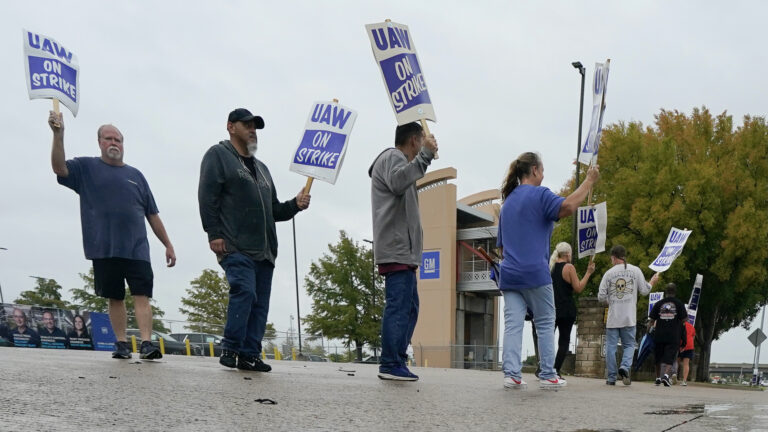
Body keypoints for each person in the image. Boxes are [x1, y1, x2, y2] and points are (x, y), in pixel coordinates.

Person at [49, 111, 176, 360]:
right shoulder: (85, 168)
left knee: (142, 294)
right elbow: (59, 167)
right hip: (104, 247)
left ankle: (147, 343)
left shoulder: (137, 176)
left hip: (137, 249)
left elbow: (153, 214)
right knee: (114, 296)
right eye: (108, 138)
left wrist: (168, 244)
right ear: (99, 142)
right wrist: (58, 135)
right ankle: (121, 343)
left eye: (118, 139)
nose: (114, 143)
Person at [198, 108, 310, 372]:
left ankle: (249, 354)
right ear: (230, 126)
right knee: (244, 291)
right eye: (246, 125)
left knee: (260, 304)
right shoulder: (219, 156)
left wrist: (295, 204)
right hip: (235, 245)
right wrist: (213, 233)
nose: (252, 130)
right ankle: (231, 347)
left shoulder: (263, 170)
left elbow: (274, 211)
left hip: (265, 250)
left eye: (255, 127)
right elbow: (207, 195)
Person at [497, 152, 598, 390]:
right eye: (542, 170)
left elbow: (501, 247)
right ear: (534, 170)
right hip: (534, 272)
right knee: (544, 322)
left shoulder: (507, 203)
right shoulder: (540, 194)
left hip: (509, 273)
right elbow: (568, 207)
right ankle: (548, 374)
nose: (543, 175)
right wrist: (589, 181)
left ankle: (511, 374)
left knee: (513, 324)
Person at [369, 122, 438, 381]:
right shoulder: (392, 158)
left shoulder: (397, 162)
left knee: (409, 306)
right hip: (397, 248)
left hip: (402, 250)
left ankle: (396, 358)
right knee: (399, 306)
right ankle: (390, 362)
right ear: (414, 140)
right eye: (422, 140)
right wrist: (426, 156)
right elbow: (398, 182)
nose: (425, 143)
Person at [598, 245, 659, 386]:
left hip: (613, 317)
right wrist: (652, 282)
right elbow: (644, 291)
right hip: (629, 317)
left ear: (613, 257)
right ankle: (625, 367)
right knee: (629, 345)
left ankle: (611, 377)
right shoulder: (635, 270)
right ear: (624, 256)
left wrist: (611, 300)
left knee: (611, 348)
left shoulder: (608, 273)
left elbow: (601, 296)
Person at [549, 242, 595, 378]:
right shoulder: (569, 267)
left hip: (551, 308)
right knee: (563, 341)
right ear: (568, 254)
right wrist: (588, 273)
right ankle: (556, 370)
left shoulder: (550, 266)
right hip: (566, 309)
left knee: (547, 338)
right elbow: (578, 288)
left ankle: (543, 366)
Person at [650, 283, 688, 387]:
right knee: (670, 357)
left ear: (666, 292)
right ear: (675, 292)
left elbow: (651, 320)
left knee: (658, 356)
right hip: (673, 334)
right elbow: (685, 320)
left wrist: (648, 330)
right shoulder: (679, 304)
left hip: (659, 334)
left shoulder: (658, 303)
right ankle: (666, 376)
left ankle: (658, 378)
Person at [678, 319, 695, 386]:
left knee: (677, 362)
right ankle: (684, 381)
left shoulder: (679, 325)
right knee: (686, 364)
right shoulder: (692, 326)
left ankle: (672, 377)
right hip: (689, 346)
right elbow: (693, 336)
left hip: (680, 345)